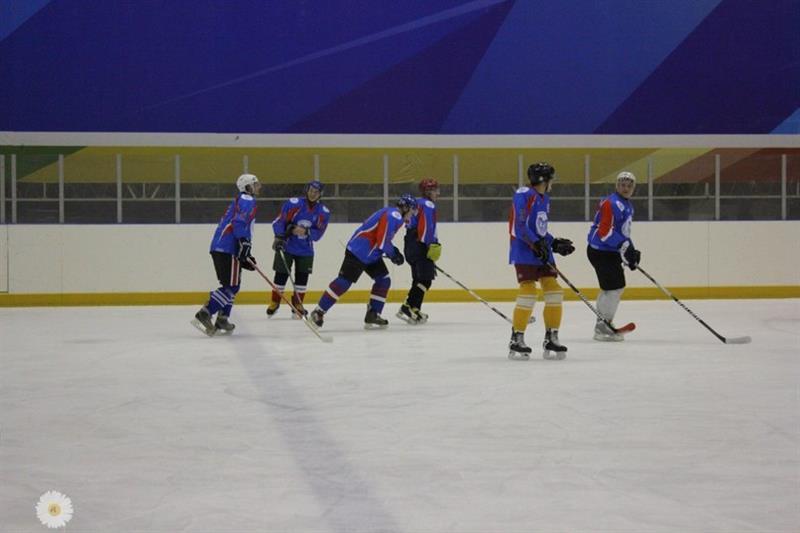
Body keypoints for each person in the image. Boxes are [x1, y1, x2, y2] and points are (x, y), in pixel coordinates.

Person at [309, 194, 417, 329]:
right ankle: (318, 312)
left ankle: (373, 314)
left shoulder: (391, 213)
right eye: (412, 210)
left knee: (383, 280)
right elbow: (383, 241)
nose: (413, 214)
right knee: (344, 282)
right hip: (359, 251)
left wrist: (393, 251)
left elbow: (380, 238)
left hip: (370, 254)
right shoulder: (394, 216)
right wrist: (394, 254)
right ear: (406, 208)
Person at [508, 162, 575, 361]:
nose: (552, 182)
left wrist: (553, 243)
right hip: (524, 250)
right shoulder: (523, 194)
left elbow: (540, 229)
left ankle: (551, 337)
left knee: (554, 291)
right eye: (551, 179)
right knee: (529, 292)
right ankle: (516, 338)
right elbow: (519, 226)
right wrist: (536, 244)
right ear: (543, 180)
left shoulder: (544, 198)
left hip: (540, 250)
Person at [191, 173, 260, 336]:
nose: (259, 187)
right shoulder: (247, 199)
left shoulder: (240, 200)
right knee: (232, 286)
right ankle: (205, 313)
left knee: (229, 285)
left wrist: (246, 252)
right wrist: (244, 243)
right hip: (229, 248)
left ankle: (222, 318)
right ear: (248, 187)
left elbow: (238, 223)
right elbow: (239, 222)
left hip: (221, 247)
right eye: (255, 184)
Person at [587, 171, 641, 341]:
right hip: (601, 251)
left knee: (611, 288)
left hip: (609, 251)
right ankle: (602, 326)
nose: (626, 188)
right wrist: (624, 247)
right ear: (617, 186)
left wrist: (631, 252)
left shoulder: (627, 205)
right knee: (614, 288)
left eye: (629, 186)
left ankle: (603, 323)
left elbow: (623, 233)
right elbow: (604, 232)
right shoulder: (611, 203)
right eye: (622, 185)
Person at [267, 180, 330, 319]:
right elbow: (279, 221)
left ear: (320, 194)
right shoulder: (294, 204)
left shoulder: (323, 212)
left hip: (306, 250)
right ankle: (275, 302)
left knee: (302, 278)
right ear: (307, 190)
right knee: (280, 275)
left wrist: (306, 231)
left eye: (316, 192)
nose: (313, 194)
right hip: (287, 246)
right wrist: (279, 237)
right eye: (311, 191)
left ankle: (297, 304)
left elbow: (318, 234)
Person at [397, 178, 441, 324]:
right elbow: (426, 227)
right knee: (425, 280)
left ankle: (414, 308)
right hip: (419, 244)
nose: (437, 193)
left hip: (410, 243)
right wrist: (430, 245)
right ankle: (407, 306)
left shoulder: (417, 203)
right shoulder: (428, 204)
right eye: (435, 190)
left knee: (419, 279)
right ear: (428, 192)